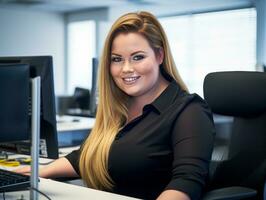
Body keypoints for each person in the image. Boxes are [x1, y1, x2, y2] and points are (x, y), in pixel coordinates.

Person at [16, 11, 215, 200]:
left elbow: (186, 182)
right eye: (117, 59)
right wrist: (39, 171)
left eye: (138, 57)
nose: (126, 69)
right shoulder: (118, 107)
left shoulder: (189, 111)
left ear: (159, 56)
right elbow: (85, 156)